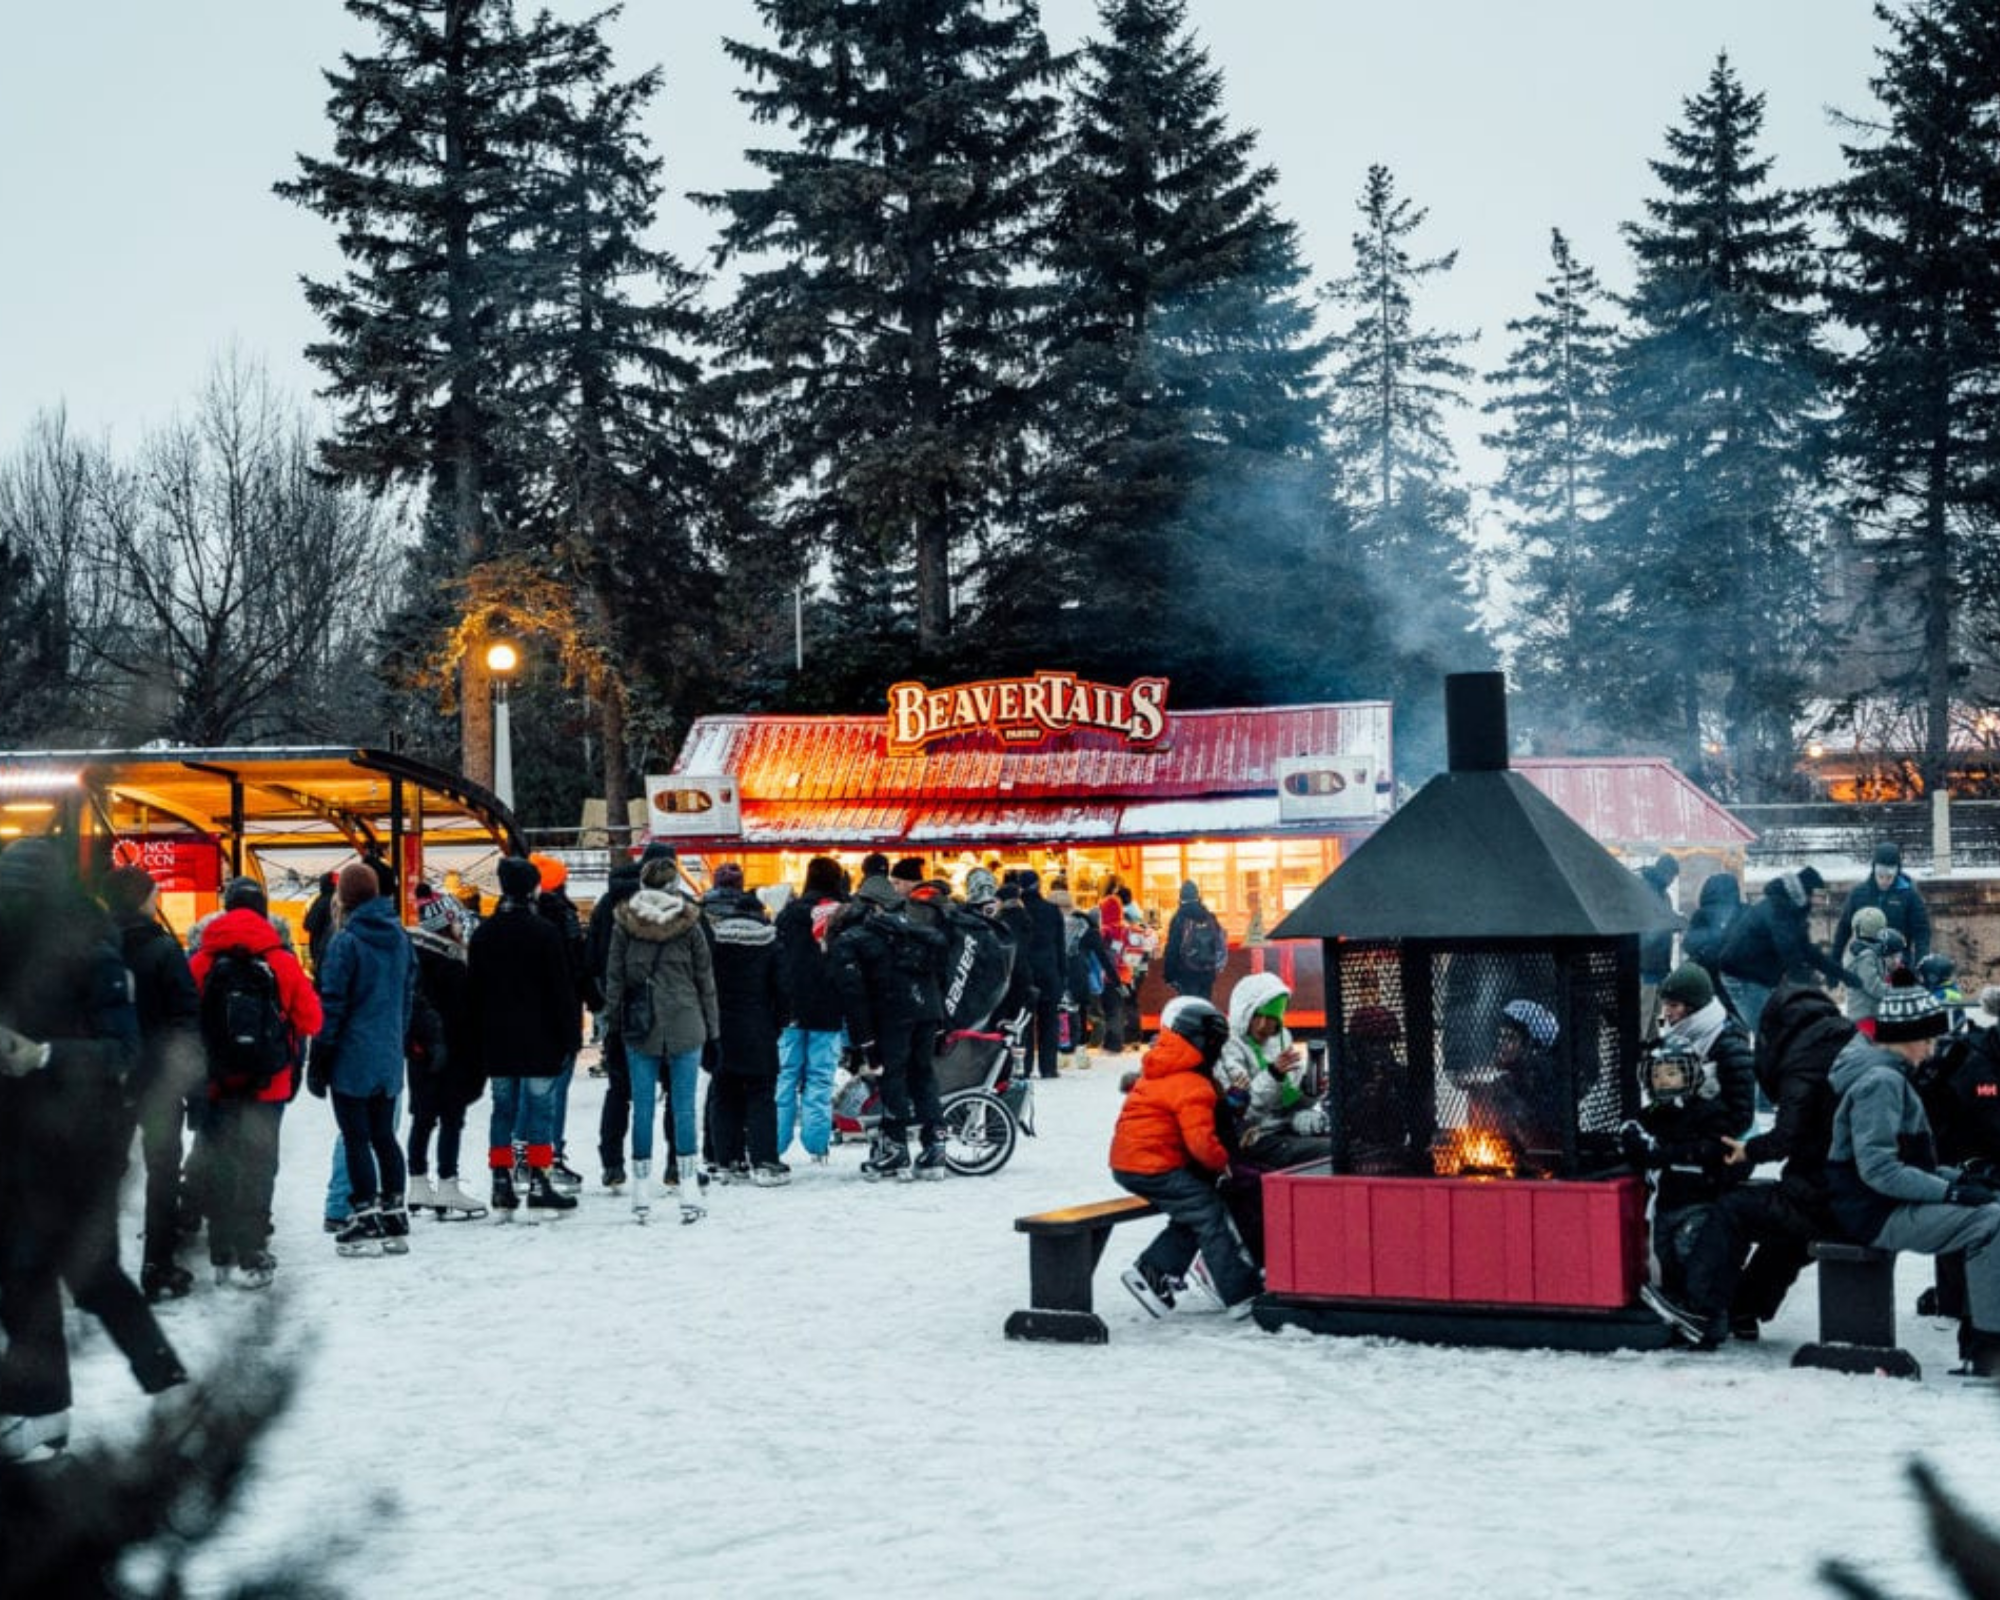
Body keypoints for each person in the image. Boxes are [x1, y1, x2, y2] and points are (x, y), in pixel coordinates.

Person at [0, 839, 186, 1463]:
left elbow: (124, 1053)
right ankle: (46, 1413)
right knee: (30, 1277)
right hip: (25, 1142)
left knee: (88, 1275)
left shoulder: (93, 950)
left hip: (83, 1141)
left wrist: (44, 1056)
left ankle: (162, 1383)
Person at [1824, 975, 2000, 1376]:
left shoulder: (1890, 1075)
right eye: (1928, 1040)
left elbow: (1909, 1164)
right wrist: (1951, 1194)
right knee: (1991, 1223)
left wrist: (1959, 1180)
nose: (1932, 1049)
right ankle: (1988, 1346)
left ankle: (1983, 1341)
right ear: (1907, 1036)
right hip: (1871, 1212)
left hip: (1878, 1203)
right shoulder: (1881, 1082)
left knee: (1991, 1207)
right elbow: (1879, 1170)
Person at [190, 874, 322, 1288]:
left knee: (217, 1158)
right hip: (268, 1083)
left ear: (226, 909)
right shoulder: (281, 961)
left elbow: (182, 1020)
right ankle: (253, 1249)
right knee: (259, 1163)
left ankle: (219, 1249)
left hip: (215, 1080)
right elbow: (312, 1020)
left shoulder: (201, 961)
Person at [1621, 962, 1757, 1349]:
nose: (1669, 1012)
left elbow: (1738, 1117)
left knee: (1696, 1240)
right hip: (1689, 1159)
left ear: (1695, 1005)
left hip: (1716, 1160)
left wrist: (1677, 1142)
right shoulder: (1683, 1039)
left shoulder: (1727, 1042)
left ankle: (1708, 1313)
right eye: (1668, 1003)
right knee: (1675, 1240)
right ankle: (1687, 1307)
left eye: (1677, 1005)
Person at [1109, 997, 1260, 1320]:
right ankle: (1238, 1292)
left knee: (1194, 1209)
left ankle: (1156, 1270)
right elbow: (1201, 1143)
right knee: (1208, 1212)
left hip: (1136, 1160)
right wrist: (1223, 1165)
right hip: (1151, 1165)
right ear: (1205, 1045)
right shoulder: (1192, 1084)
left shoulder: (1163, 1068)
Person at [1714, 983, 1850, 1338]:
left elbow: (1786, 1136)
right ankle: (1743, 1310)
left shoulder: (1803, 1059)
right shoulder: (1840, 1039)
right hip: (1840, 1184)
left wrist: (1749, 1150)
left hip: (1825, 1191)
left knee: (1734, 1208)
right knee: (1786, 1231)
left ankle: (1705, 1305)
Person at [102, 865, 204, 1303]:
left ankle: (99, 1269)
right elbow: (186, 1017)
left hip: (109, 1078)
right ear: (145, 899)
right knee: (162, 1171)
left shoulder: (96, 948)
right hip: (159, 1080)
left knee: (105, 1173)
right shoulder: (163, 950)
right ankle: (157, 1266)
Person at [309, 862, 417, 1257]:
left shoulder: (347, 942)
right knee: (385, 1136)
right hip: (388, 1051)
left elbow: (333, 1004)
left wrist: (320, 1057)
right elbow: (408, 995)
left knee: (357, 1138)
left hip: (352, 1054)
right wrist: (397, 1037)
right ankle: (394, 1211)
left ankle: (365, 1214)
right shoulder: (401, 937)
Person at [604, 852, 717, 1222]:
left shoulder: (624, 924)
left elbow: (615, 979)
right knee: (684, 1106)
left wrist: (614, 1025)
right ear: (674, 887)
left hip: (640, 1025)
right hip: (686, 1021)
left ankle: (640, 1193)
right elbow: (705, 981)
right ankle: (687, 1191)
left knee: (642, 1106)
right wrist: (713, 1029)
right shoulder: (691, 925)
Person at [469, 856, 581, 1218]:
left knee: (503, 1109)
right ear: (533, 888)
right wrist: (570, 1035)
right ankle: (539, 1180)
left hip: (496, 1039)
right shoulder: (544, 933)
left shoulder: (484, 934)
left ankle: (501, 1178)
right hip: (540, 1038)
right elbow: (561, 990)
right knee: (540, 1110)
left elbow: (474, 990)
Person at [830, 871, 951, 1181]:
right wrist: (940, 1021)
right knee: (923, 1074)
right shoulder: (913, 929)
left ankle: (895, 1149)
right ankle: (935, 1148)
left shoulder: (858, 938)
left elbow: (853, 993)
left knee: (891, 1077)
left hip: (892, 1015)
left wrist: (865, 1041)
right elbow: (940, 972)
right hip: (928, 1011)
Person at [587, 840, 676, 1189]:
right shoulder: (672, 908)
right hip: (666, 1013)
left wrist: (604, 1006)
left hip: (622, 1012)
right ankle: (674, 1164)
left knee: (620, 1091)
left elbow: (592, 958)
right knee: (674, 1092)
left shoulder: (608, 903)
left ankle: (612, 1163)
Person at [702, 864, 789, 1186]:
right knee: (761, 1095)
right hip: (758, 1028)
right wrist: (778, 1022)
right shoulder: (770, 942)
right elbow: (783, 990)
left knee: (724, 1094)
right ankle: (764, 1160)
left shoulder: (716, 944)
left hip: (721, 1026)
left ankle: (726, 1159)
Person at [405, 883, 486, 1220]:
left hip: (419, 1051)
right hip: (453, 1052)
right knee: (452, 1118)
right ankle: (448, 1183)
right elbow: (465, 1015)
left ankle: (418, 1183)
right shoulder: (453, 965)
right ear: (448, 924)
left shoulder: (412, 957)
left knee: (423, 1118)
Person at [773, 855, 848, 1165]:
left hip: (790, 1007)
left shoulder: (789, 914)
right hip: (828, 1006)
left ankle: (775, 1141)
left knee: (786, 1074)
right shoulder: (840, 914)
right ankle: (817, 1144)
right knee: (820, 1076)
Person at [1716, 867, 1844, 1037]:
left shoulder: (1793, 910)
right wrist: (1808, 981)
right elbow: (1789, 950)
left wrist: (1841, 974)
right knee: (1770, 1034)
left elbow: (1807, 951)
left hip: (1760, 976)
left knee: (1780, 1028)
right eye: (1817, 895)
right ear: (1805, 892)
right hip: (1742, 978)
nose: (1819, 901)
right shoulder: (1779, 908)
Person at [1215, 973, 1325, 1168]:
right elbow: (1241, 1114)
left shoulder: (1282, 1039)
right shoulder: (1228, 1047)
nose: (1264, 1025)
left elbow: (1291, 1105)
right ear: (1243, 1013)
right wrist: (1273, 1075)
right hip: (1253, 1137)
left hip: (1284, 1128)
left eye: (1272, 1018)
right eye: (1257, 1016)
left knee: (1346, 1144)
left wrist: (1309, 1091)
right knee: (1329, 1151)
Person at [530, 852, 588, 1192]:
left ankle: (525, 1158)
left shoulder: (515, 917)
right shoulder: (564, 919)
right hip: (563, 1013)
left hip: (525, 1017)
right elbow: (577, 967)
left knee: (527, 1093)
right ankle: (551, 1155)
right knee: (556, 1090)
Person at [1460, 998, 1565, 1159]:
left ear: (1530, 1046)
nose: (1501, 1045)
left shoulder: (1548, 1086)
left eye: (1510, 1038)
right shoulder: (1507, 1082)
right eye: (1500, 1037)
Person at [1831, 841, 1931, 969]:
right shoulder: (1859, 894)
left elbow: (1922, 932)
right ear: (1874, 870)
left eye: (1889, 876)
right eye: (1880, 876)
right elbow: (1844, 928)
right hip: (1865, 963)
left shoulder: (1909, 895)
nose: (1884, 881)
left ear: (1897, 872)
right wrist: (1835, 960)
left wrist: (1921, 963)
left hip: (1899, 962)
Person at [1018, 868, 1066, 1081]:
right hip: (1049, 971)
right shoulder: (1051, 910)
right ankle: (1048, 1067)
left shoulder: (1018, 912)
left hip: (1024, 973)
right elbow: (1060, 946)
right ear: (1039, 885)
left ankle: (1025, 1067)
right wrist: (1063, 975)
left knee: (1025, 1022)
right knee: (1049, 1020)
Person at [1681, 871, 1742, 1000]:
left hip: (1708, 976)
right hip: (1739, 977)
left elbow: (1688, 945)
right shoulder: (1744, 911)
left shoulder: (1702, 914)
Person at [1163, 880, 1227, 1003]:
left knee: (1189, 1008)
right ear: (1198, 896)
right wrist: (1218, 966)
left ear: (1181, 897)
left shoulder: (1179, 918)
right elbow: (1220, 941)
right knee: (1205, 1006)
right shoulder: (1209, 916)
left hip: (1186, 972)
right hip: (1207, 971)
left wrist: (1169, 975)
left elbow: (1172, 948)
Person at [1840, 907, 1902, 1034]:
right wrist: (1899, 993)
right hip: (1865, 1017)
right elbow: (1874, 986)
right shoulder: (1864, 955)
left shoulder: (1867, 951)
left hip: (1869, 1015)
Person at [1636, 853, 1680, 1029]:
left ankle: (1651, 1046)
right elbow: (1648, 924)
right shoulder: (1644, 889)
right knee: (1644, 1011)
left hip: (1659, 964)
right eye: (1670, 876)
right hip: (1644, 963)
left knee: (1657, 1013)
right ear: (1663, 871)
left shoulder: (1665, 895)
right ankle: (1638, 1048)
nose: (1671, 881)